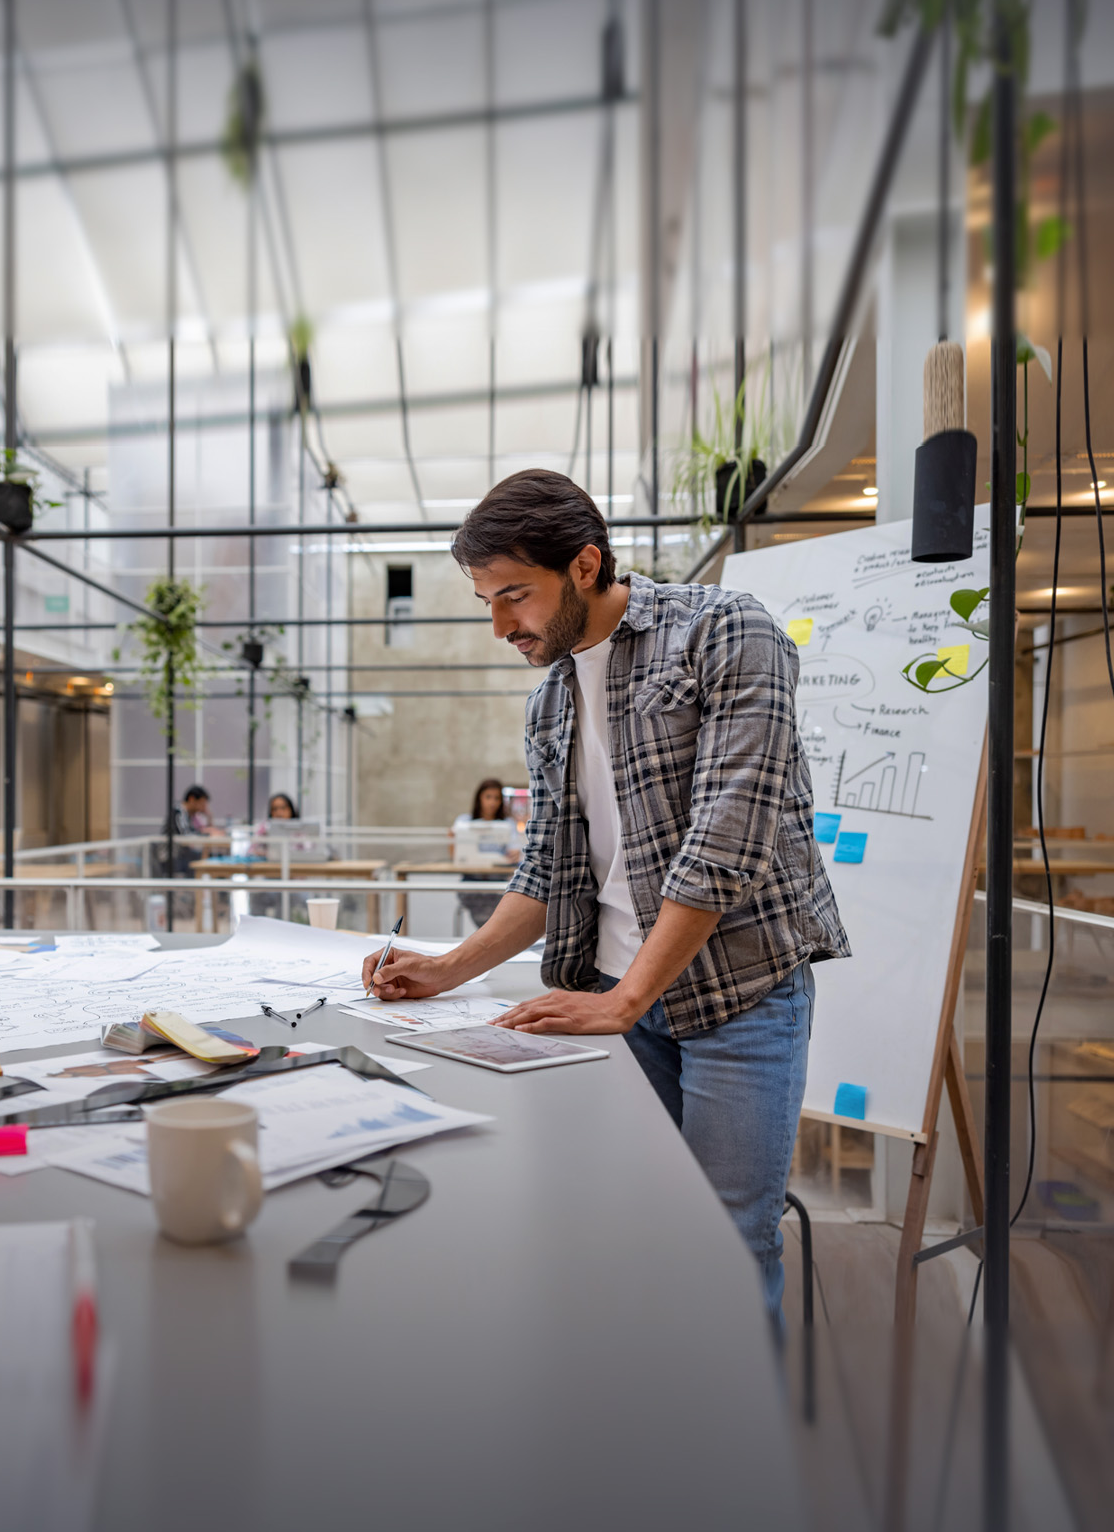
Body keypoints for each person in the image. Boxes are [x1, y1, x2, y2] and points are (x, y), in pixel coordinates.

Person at [362, 468, 849, 1323]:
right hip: (617, 1005)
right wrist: (447, 968)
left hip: (736, 999)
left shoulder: (727, 632)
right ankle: (652, 1432)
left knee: (730, 1243)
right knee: (637, 1232)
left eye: (515, 595)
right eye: (486, 600)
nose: (500, 624)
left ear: (585, 566)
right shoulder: (552, 700)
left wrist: (628, 998)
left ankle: (732, 1452)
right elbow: (552, 871)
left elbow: (725, 846)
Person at [452, 777, 521, 929]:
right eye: (488, 797)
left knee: (503, 908)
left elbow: (513, 849)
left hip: (498, 884)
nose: (492, 802)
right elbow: (455, 850)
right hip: (471, 884)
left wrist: (515, 854)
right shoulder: (464, 822)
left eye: (496, 798)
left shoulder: (508, 824)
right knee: (490, 918)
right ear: (479, 798)